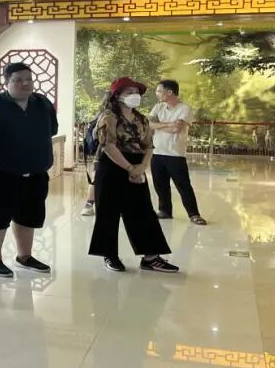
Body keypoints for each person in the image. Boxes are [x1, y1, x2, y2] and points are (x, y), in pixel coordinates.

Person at [88, 78, 179, 273]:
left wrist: (141, 168)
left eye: (136, 92)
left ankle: (151, 257)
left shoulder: (141, 119)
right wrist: (130, 168)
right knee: (108, 212)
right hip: (112, 166)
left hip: (137, 166)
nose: (134, 95)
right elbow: (108, 146)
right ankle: (109, 255)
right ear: (117, 96)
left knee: (142, 210)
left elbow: (149, 146)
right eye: (129, 92)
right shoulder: (109, 117)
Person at [0, 62, 58, 278]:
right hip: (1, 172)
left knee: (28, 216)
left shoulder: (42, 103)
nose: (25, 83)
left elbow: (52, 129)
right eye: (18, 80)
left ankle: (24, 256)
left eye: (28, 79)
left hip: (36, 172)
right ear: (6, 82)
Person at [149, 79, 207, 225]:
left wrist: (159, 125)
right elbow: (149, 124)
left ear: (170, 92)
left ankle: (194, 214)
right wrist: (169, 124)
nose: (157, 93)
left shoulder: (184, 108)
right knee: (160, 185)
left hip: (175, 154)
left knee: (183, 185)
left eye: (159, 91)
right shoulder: (158, 107)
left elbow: (177, 129)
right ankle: (165, 211)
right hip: (157, 152)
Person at [81, 92, 111, 217]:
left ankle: (89, 205)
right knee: (98, 177)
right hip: (105, 152)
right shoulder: (108, 115)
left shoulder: (101, 113)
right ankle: (90, 205)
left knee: (96, 177)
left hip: (100, 152)